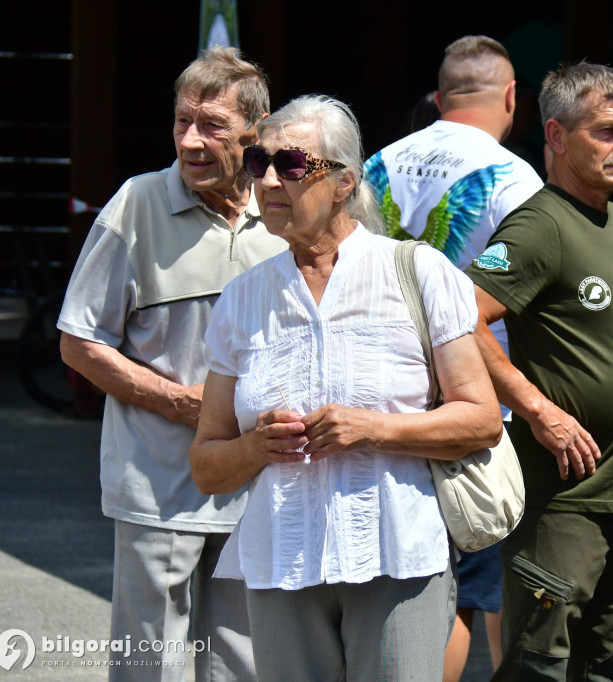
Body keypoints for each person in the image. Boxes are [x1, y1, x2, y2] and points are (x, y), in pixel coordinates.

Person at [188, 94, 502, 682]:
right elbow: (207, 463)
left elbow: (481, 419)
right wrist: (256, 448)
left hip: (398, 558)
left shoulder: (419, 271)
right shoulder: (242, 299)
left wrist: (373, 427)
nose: (270, 181)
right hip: (282, 561)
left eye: (292, 165)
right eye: (259, 164)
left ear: (343, 183)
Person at [57, 47, 283, 680]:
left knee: (242, 662)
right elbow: (80, 342)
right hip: (157, 487)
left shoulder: (284, 210)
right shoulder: (136, 205)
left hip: (256, 485)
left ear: (255, 132)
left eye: (210, 125)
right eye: (182, 122)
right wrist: (184, 403)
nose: (190, 140)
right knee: (150, 662)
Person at [465, 62, 613, 680]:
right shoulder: (540, 224)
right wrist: (540, 411)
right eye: (607, 131)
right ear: (555, 136)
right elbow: (461, 323)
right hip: (564, 500)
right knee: (539, 665)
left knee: (608, 664)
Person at [364, 34, 543, 681]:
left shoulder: (375, 166)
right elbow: (524, 297)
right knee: (483, 588)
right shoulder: (513, 177)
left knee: (413, 588)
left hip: (385, 403)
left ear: (439, 98)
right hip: (474, 408)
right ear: (513, 97)